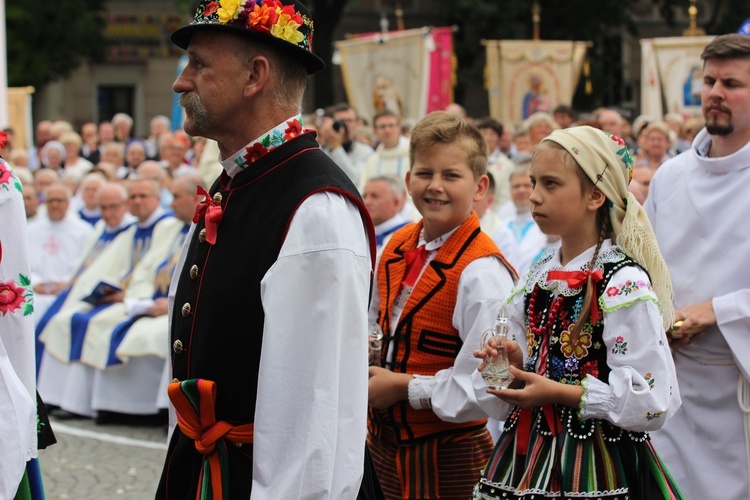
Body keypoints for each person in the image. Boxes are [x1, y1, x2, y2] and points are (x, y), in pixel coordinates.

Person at [158, 1, 380, 498]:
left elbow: (314, 421)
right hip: (210, 472)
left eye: (198, 65)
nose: (181, 82)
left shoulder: (314, 207)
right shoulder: (239, 181)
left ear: (254, 75)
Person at [472, 126, 683, 499]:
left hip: (599, 458)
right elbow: (512, 381)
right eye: (534, 182)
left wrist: (561, 392)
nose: (534, 196)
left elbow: (654, 399)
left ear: (595, 196)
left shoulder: (621, 283)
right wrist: (511, 365)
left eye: (551, 184)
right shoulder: (537, 277)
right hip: (530, 454)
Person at [367, 111, 517, 499]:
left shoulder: (482, 273)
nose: (435, 186)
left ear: (480, 186)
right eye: (424, 173)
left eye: (451, 175)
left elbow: (491, 386)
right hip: (381, 445)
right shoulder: (395, 245)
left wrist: (404, 388)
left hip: (449, 454)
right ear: (407, 179)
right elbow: (376, 323)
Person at [646, 33, 750, 500]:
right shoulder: (671, 175)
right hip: (669, 379)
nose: (715, 92)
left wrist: (717, 310)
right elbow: (639, 264)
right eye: (709, 80)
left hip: (736, 388)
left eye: (732, 83)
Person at [363, 175, 409, 253]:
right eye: (364, 196)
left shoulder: (409, 236)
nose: (367, 202)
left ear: (395, 203)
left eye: (375, 196)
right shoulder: (361, 232)